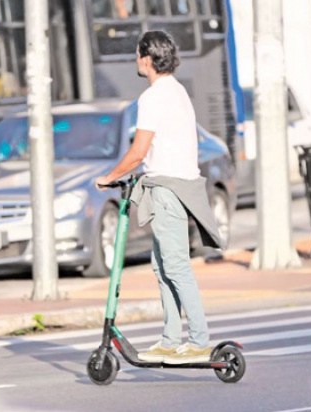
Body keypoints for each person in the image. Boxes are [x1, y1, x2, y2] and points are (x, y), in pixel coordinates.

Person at [94, 30, 223, 364]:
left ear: (147, 59)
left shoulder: (152, 97)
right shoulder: (177, 91)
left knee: (175, 265)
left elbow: (138, 151)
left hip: (168, 190)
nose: (136, 60)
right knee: (162, 264)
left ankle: (198, 340)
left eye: (138, 54)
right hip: (175, 185)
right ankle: (170, 339)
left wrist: (110, 177)